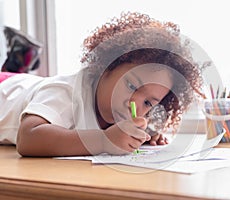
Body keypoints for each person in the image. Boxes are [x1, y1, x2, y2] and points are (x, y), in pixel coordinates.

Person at [0, 12, 206, 157]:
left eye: (148, 103)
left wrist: (139, 134)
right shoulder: (67, 92)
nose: (134, 103)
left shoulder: (116, 113)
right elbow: (28, 138)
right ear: (104, 67)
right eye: (132, 86)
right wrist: (103, 141)